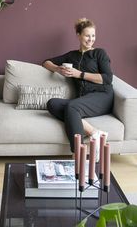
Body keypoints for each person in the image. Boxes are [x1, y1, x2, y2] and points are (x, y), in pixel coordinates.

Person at [42, 18, 114, 161]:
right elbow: (45, 62)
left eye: (93, 36)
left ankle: (78, 155)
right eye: (87, 35)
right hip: (83, 100)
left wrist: (79, 74)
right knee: (52, 104)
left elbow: (107, 78)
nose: (91, 39)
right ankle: (94, 132)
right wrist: (58, 69)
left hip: (102, 95)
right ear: (79, 35)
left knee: (72, 106)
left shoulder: (99, 53)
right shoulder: (71, 55)